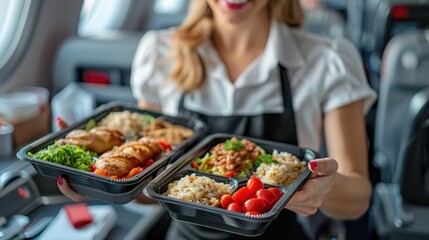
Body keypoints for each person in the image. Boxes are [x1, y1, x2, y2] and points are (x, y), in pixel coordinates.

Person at [57, 0, 377, 239]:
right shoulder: (160, 54)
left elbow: (358, 197)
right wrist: (106, 185)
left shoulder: (329, 60)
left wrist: (329, 188)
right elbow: (152, 189)